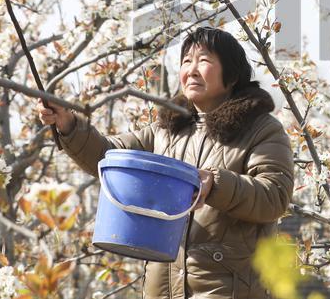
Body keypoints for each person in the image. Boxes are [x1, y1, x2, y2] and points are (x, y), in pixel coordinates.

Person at [38, 27, 294, 299]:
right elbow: (110, 158)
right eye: (186, 61)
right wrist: (68, 124)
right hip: (162, 290)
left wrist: (216, 183)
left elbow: (275, 196)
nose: (192, 70)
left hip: (227, 290)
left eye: (204, 61)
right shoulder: (166, 129)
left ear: (231, 76)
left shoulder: (262, 129)